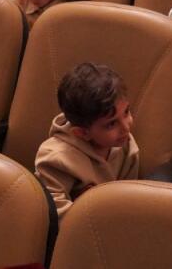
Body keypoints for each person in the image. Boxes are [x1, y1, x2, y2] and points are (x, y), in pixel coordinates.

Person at [35, 62, 139, 218]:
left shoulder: (126, 146)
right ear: (82, 133)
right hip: (75, 235)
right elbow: (55, 216)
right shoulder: (54, 159)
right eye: (111, 124)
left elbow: (128, 199)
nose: (126, 127)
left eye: (126, 112)